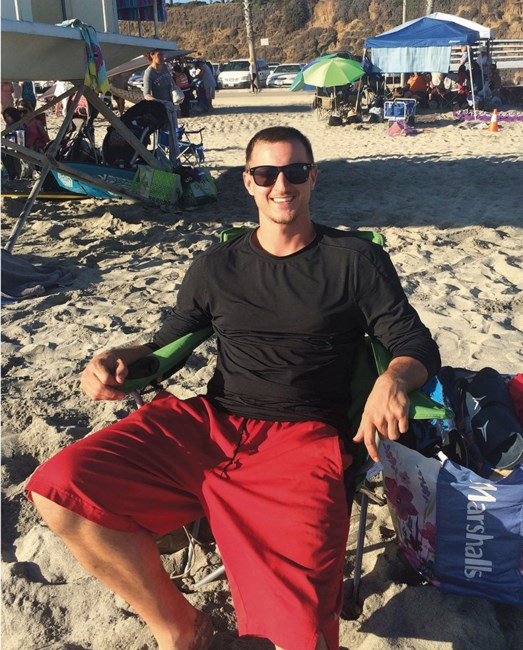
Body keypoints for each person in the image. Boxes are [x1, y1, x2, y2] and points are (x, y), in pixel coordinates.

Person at [26, 126, 441, 650]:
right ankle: (178, 625)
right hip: (212, 423)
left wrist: (394, 378)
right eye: (266, 174)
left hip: (302, 443)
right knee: (61, 490)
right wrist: (118, 359)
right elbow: (168, 343)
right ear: (248, 181)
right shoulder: (216, 266)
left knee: (297, 637)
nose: (281, 186)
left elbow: (414, 343)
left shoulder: (353, 260)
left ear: (313, 177)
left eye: (294, 172)